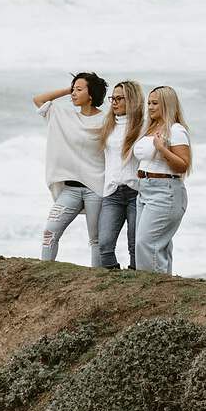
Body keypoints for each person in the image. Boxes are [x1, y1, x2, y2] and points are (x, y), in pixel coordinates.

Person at [31, 71, 108, 261]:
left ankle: (97, 281)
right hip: (70, 189)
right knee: (50, 232)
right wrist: (70, 89)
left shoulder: (107, 120)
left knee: (96, 239)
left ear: (91, 94)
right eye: (73, 89)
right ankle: (45, 272)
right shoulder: (63, 115)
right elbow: (38, 99)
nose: (74, 93)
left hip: (96, 189)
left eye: (79, 90)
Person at [131, 85, 193, 273]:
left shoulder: (176, 130)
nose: (149, 107)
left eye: (155, 103)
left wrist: (162, 149)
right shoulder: (150, 129)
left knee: (147, 244)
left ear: (167, 104)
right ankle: (160, 292)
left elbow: (183, 165)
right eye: (149, 103)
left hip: (165, 191)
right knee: (154, 245)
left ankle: (151, 291)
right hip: (144, 190)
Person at [94, 78, 145, 269]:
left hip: (136, 192)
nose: (114, 102)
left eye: (119, 98)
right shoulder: (108, 125)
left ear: (132, 100)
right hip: (112, 192)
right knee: (105, 244)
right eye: (112, 98)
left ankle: (134, 283)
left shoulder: (143, 126)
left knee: (135, 245)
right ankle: (114, 284)